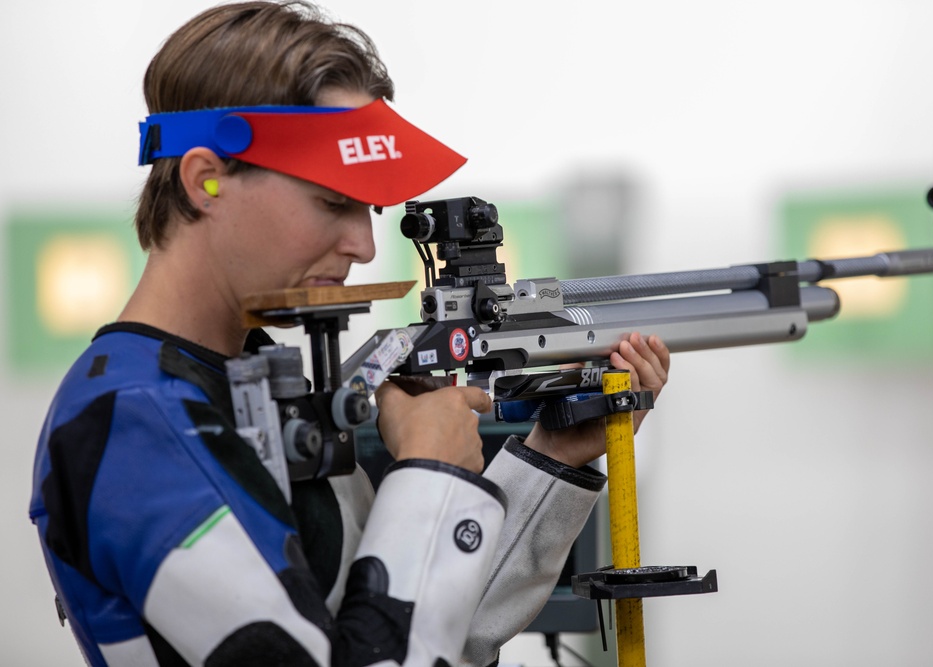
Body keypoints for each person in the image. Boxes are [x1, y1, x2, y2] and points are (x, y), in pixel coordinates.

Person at [28, 2, 671, 666]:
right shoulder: (135, 418)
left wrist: (553, 454)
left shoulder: (247, 379)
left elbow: (425, 630)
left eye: (368, 208)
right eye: (333, 202)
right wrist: (430, 471)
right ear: (205, 179)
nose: (364, 244)